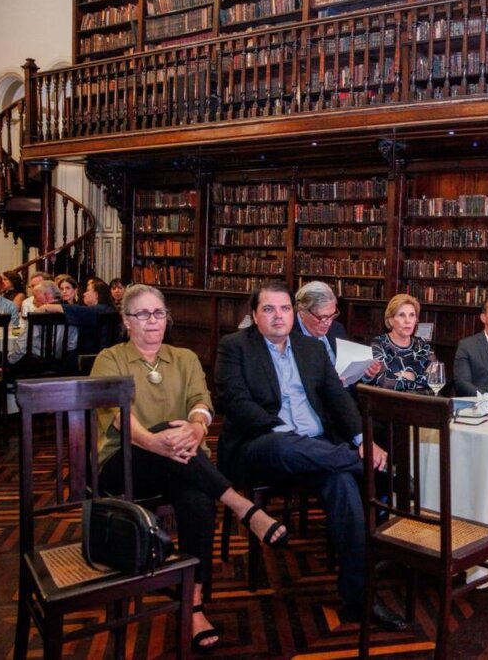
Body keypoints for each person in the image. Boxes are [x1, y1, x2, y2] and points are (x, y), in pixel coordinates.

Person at [91, 284, 287, 653]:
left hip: (182, 463)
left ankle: (194, 604)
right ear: (126, 320)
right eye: (143, 314)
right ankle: (240, 505)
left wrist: (197, 427)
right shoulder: (109, 358)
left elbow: (201, 401)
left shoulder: (184, 358)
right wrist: (152, 440)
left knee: (198, 500)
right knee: (169, 429)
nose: (153, 321)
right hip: (125, 463)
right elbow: (115, 413)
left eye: (159, 313)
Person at [214, 280, 407, 631]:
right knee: (287, 444)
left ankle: (358, 599)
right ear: (254, 315)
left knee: (342, 483)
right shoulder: (235, 347)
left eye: (284, 308)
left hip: (316, 451)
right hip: (264, 444)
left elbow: (338, 398)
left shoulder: (311, 348)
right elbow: (235, 402)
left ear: (293, 312)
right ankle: (367, 467)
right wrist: (284, 431)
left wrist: (362, 439)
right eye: (268, 309)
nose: (278, 316)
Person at [291, 280, 382, 380]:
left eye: (332, 315)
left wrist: (366, 373)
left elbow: (348, 370)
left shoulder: (337, 329)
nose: (328, 323)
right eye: (323, 317)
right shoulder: (287, 335)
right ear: (302, 311)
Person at [363, 293, 436, 392]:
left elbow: (436, 378)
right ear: (390, 320)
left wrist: (406, 375)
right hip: (390, 400)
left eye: (412, 315)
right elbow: (384, 381)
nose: (408, 321)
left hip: (423, 400)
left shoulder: (422, 345)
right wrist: (420, 377)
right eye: (401, 315)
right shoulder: (378, 344)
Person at [40, 278, 117, 356]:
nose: (84, 294)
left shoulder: (98, 310)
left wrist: (46, 307)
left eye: (88, 290)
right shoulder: (109, 309)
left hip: (91, 356)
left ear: (96, 294)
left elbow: (76, 310)